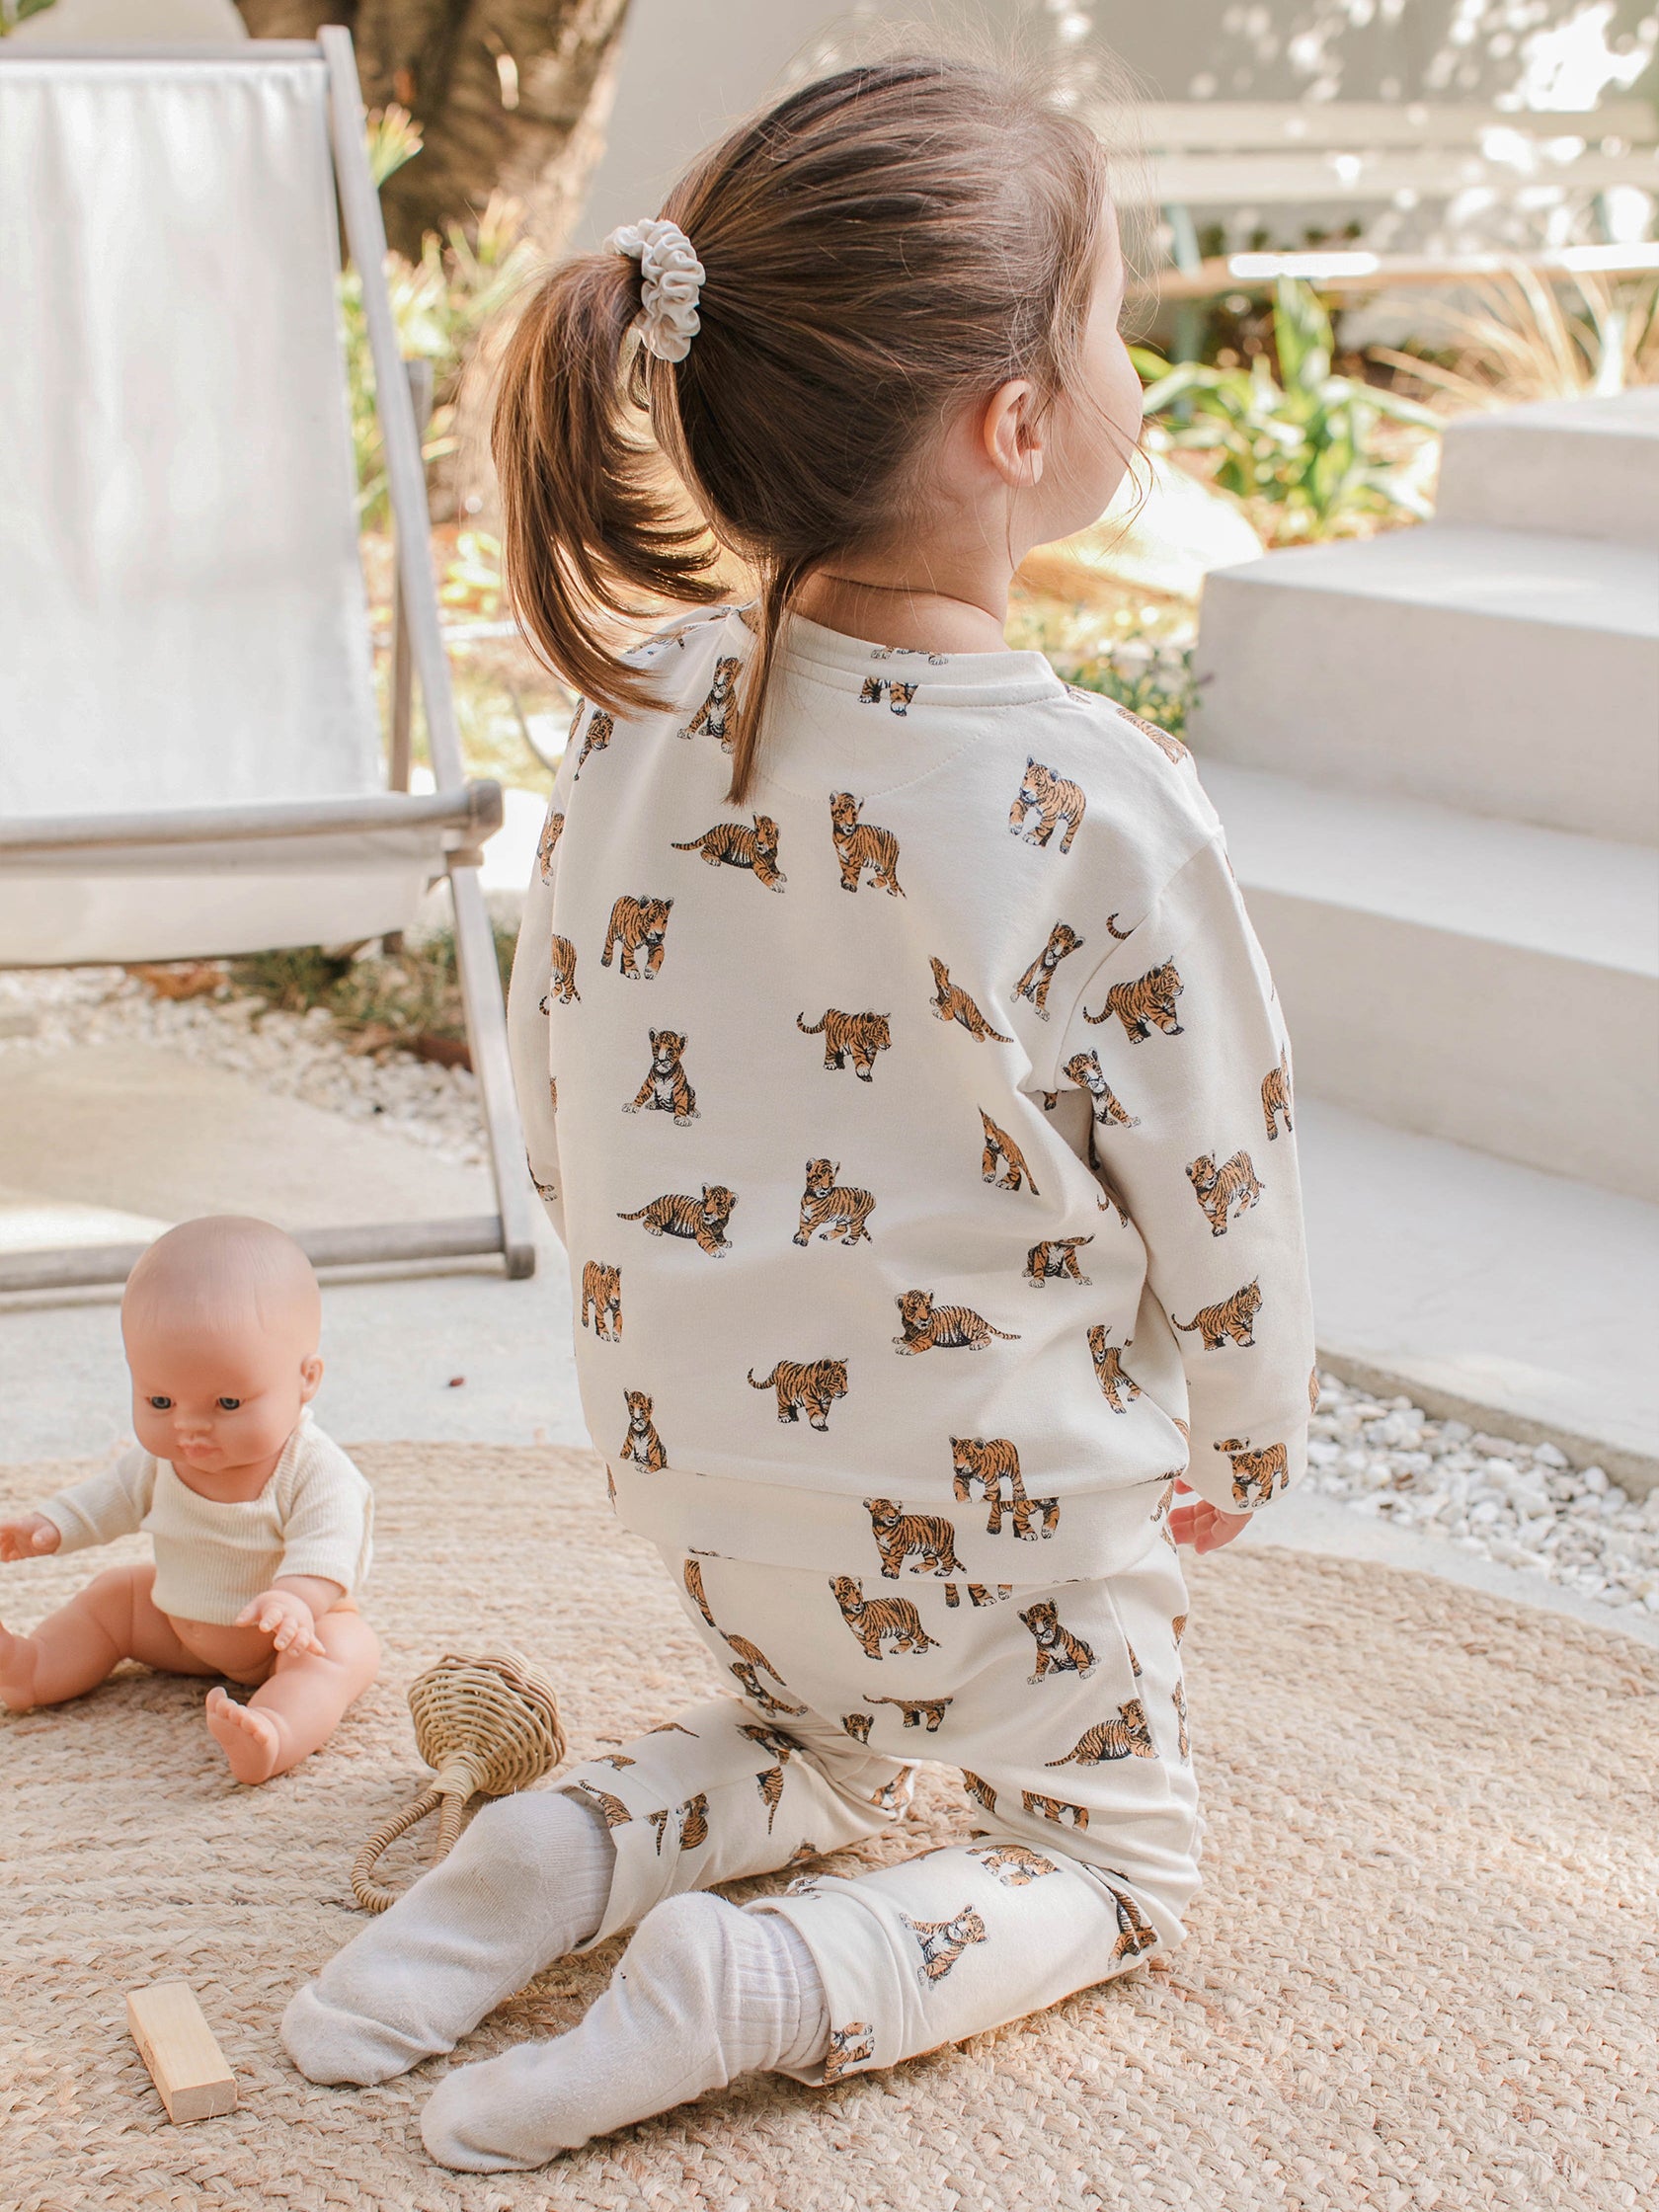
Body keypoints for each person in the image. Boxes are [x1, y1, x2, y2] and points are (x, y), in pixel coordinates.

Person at [282, 53, 1315, 2170]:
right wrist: (1246, 1433)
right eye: (1111, 322)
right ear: (1016, 431)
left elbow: (569, 1091)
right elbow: (1225, 1178)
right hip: (995, 1492)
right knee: (1111, 1853)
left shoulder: (635, 707)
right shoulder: (1098, 801)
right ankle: (767, 1980)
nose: (1133, 367)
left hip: (703, 1477)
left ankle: (542, 1862)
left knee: (818, 1732)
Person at [0, 1216, 378, 1782]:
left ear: (306, 1378)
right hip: (179, 1626)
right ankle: (35, 1667)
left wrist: (296, 1599)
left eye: (227, 1403)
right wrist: (50, 1525)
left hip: (284, 1636)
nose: (189, 1429)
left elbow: (331, 1545)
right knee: (114, 1595)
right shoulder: (163, 1460)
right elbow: (110, 1497)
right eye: (159, 1401)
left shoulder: (316, 1470)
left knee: (341, 1653)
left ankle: (273, 1733)